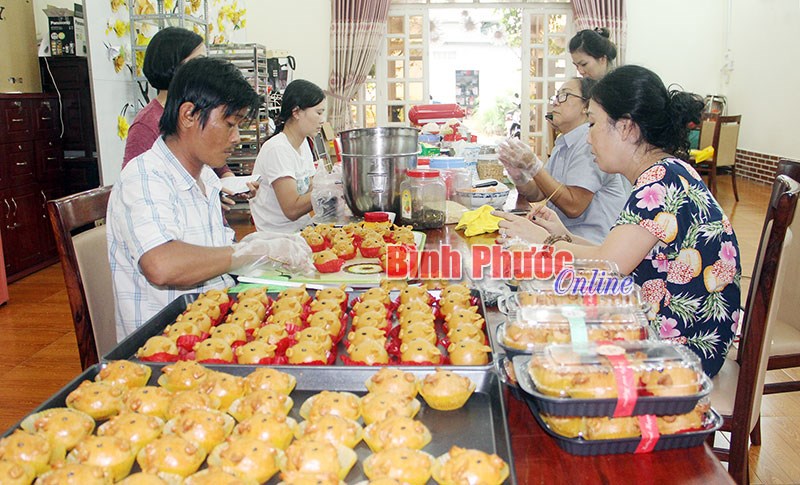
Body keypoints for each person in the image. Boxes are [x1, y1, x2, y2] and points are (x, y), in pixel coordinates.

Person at [496, 65, 741, 378]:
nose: (588, 138)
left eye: (594, 124)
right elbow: (620, 253)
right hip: (664, 327)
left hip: (678, 353)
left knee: (537, 348)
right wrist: (561, 235)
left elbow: (609, 264)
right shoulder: (664, 172)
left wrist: (542, 242)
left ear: (626, 128)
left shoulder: (661, 182)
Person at [107, 57, 312, 340]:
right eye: (229, 124)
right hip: (166, 347)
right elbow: (161, 264)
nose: (236, 137)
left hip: (215, 329)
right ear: (188, 115)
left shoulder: (205, 178)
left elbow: (213, 257)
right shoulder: (144, 177)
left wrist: (259, 245)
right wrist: (247, 254)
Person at [498, 77, 628, 244]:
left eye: (565, 95)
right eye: (556, 96)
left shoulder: (589, 142)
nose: (556, 103)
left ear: (586, 107)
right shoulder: (563, 142)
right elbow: (539, 193)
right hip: (563, 239)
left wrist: (535, 167)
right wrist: (518, 174)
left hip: (592, 247)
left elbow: (573, 206)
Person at [249, 79, 326, 233]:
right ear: (296, 112)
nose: (322, 120)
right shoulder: (277, 149)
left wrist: (328, 185)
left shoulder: (303, 143)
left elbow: (310, 186)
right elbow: (291, 209)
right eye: (318, 112)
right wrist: (327, 191)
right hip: (278, 237)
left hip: (300, 229)